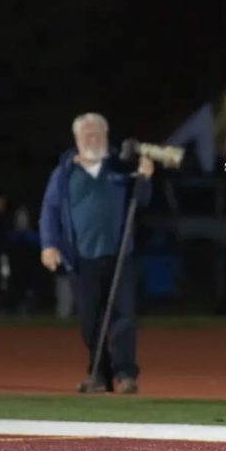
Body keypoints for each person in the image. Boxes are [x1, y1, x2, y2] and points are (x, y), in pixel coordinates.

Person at [39, 112, 154, 394]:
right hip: (81, 258)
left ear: (106, 136)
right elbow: (50, 211)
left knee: (123, 318)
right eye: (86, 135)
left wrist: (145, 177)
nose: (92, 139)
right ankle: (98, 375)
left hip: (119, 257)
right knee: (91, 320)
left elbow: (142, 201)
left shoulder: (119, 167)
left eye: (98, 134)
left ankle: (126, 374)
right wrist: (49, 245)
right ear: (77, 139)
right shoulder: (65, 172)